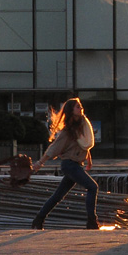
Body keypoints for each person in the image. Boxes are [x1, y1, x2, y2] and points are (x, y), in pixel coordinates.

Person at [31, 98, 99, 230]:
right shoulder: (68, 131)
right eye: (78, 107)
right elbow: (54, 148)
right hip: (69, 165)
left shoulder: (82, 125)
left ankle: (38, 219)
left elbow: (85, 145)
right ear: (71, 111)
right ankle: (92, 222)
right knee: (92, 187)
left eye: (81, 106)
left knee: (58, 195)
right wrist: (39, 163)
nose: (81, 108)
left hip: (76, 164)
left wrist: (89, 160)